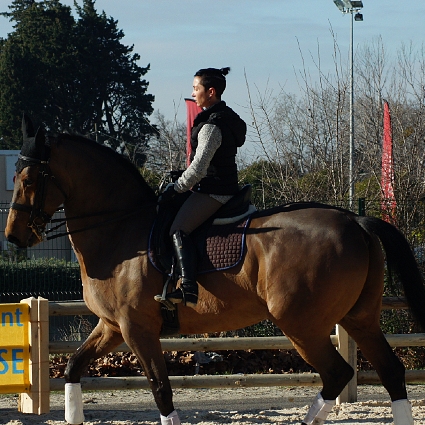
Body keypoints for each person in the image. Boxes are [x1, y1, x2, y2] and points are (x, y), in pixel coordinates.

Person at [155, 67, 247, 309]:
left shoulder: (211, 126)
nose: (193, 93)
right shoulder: (222, 118)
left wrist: (176, 188)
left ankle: (187, 288)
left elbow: (198, 169)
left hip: (215, 191)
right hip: (221, 186)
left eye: (196, 88)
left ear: (211, 91)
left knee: (178, 228)